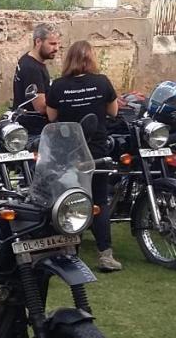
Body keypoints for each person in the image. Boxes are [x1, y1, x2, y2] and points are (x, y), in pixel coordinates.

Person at [46, 40, 122, 272]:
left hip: (68, 152)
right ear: (91, 58)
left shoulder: (58, 86)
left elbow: (51, 118)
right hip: (96, 152)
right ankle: (105, 255)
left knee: (68, 202)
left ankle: (70, 254)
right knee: (99, 201)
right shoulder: (102, 82)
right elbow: (114, 111)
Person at [13, 23, 61, 135]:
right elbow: (41, 107)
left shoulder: (27, 59)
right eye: (52, 44)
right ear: (38, 42)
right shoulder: (32, 68)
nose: (56, 48)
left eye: (58, 44)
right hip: (33, 128)